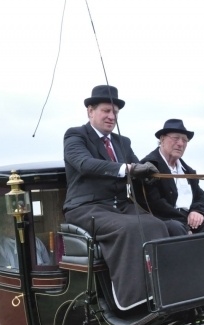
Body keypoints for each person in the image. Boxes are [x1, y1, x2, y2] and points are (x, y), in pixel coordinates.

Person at [63, 85, 169, 311]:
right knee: (129, 229)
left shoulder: (123, 142)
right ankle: (131, 302)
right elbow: (84, 164)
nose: (112, 117)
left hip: (119, 206)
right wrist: (127, 168)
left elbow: (137, 168)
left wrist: (149, 174)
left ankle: (161, 291)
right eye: (106, 111)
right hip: (85, 208)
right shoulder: (75, 135)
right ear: (90, 111)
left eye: (115, 113)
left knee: (158, 225)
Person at [136, 119, 204, 236]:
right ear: (162, 139)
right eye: (176, 138)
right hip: (165, 221)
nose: (180, 144)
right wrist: (184, 221)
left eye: (185, 140)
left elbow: (199, 196)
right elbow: (155, 204)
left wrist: (197, 211)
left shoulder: (187, 171)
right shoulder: (149, 166)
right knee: (176, 227)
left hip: (188, 220)